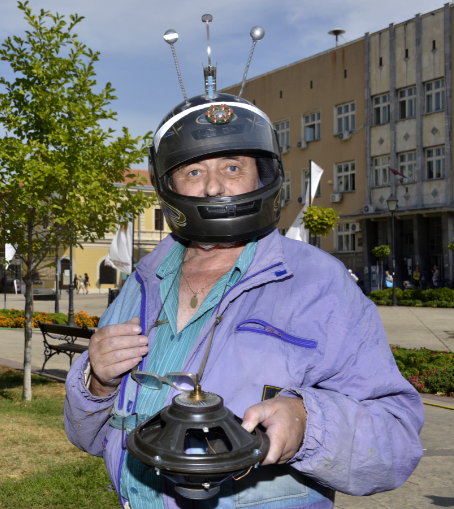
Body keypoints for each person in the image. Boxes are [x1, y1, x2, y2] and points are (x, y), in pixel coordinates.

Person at [64, 90, 423, 508]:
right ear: (168, 185)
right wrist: (97, 383)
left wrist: (309, 423)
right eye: (194, 171)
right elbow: (87, 437)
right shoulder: (142, 280)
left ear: (262, 175)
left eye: (232, 167)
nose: (214, 186)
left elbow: (397, 440)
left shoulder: (319, 283)